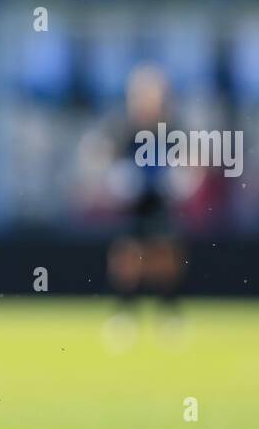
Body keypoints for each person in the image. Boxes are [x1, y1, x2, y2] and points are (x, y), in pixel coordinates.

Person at [80, 65, 196, 345]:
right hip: (131, 201)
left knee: (166, 255)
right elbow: (101, 155)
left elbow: (189, 158)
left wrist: (180, 176)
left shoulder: (173, 127)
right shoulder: (123, 128)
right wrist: (116, 178)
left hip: (161, 198)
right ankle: (125, 311)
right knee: (128, 255)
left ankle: (169, 311)